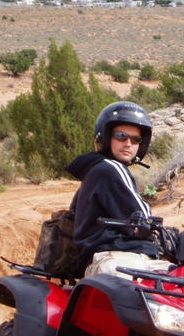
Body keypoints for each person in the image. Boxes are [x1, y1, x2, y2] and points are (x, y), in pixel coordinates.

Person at [65, 101, 171, 279]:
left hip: (103, 256)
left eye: (135, 139)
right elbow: (143, 217)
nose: (128, 143)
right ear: (106, 138)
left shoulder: (95, 168)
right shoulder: (111, 169)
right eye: (121, 136)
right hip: (113, 256)